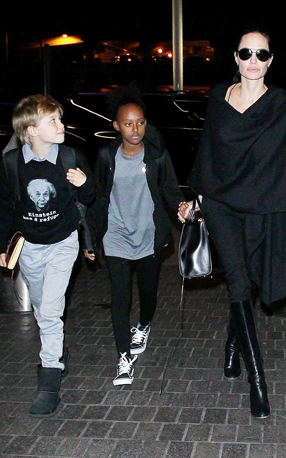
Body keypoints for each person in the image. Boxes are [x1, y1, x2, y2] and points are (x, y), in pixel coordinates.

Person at [179, 29, 286, 418]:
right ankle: (257, 381)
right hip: (221, 205)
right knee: (239, 281)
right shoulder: (218, 97)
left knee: (248, 279)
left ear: (271, 60)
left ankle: (232, 346)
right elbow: (209, 153)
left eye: (261, 54)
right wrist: (197, 199)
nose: (253, 61)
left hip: (260, 206)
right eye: (246, 53)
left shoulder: (281, 105)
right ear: (236, 57)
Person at [0, 94, 95, 417]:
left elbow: (91, 198)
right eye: (53, 120)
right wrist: (0, 247)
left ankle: (48, 382)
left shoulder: (70, 157)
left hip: (63, 243)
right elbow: (2, 208)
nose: (61, 125)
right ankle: (58, 349)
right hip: (30, 248)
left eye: (59, 118)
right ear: (31, 130)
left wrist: (85, 184)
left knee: (50, 310)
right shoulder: (12, 165)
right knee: (41, 308)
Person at [85, 85, 184, 386]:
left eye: (140, 122)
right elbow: (98, 198)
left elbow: (170, 189)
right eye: (128, 124)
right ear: (116, 126)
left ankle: (143, 325)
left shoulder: (156, 156)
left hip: (148, 236)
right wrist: (90, 238)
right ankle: (123, 357)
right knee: (120, 297)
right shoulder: (106, 156)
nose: (135, 129)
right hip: (116, 234)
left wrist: (182, 208)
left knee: (148, 294)